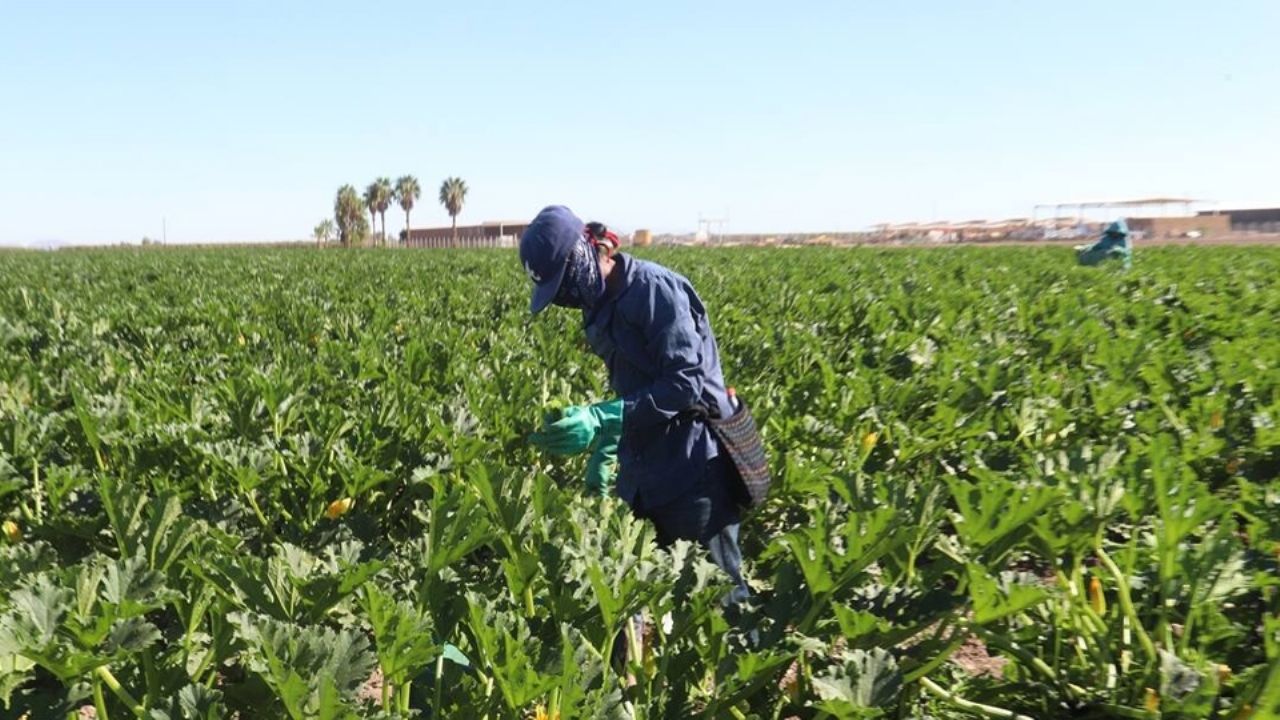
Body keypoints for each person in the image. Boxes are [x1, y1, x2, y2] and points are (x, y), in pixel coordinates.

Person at [520, 205, 750, 606]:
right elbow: (629, 385)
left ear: (584, 252)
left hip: (694, 468)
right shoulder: (597, 308)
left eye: (564, 284)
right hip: (643, 472)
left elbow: (684, 382)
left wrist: (601, 419)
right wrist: (607, 449)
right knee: (632, 597)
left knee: (718, 602)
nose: (566, 299)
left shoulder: (654, 290)